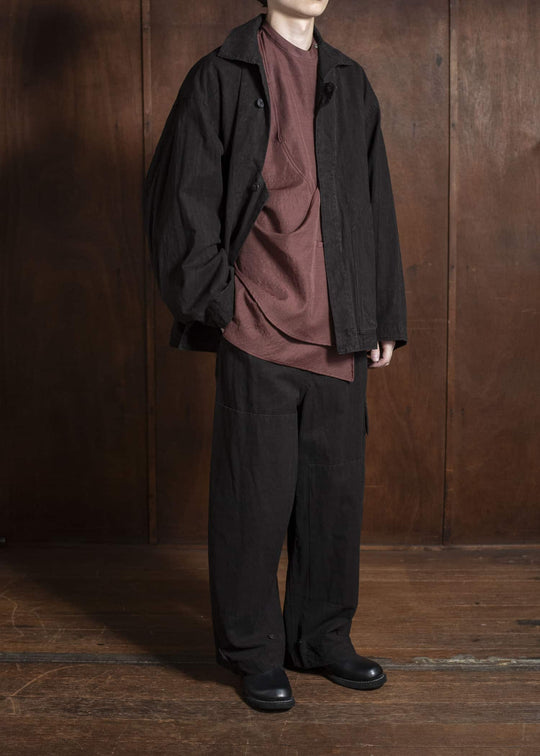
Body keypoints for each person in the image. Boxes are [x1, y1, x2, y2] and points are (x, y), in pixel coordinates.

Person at [143, 0, 407, 712]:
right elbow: (183, 198)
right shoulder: (220, 75)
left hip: (341, 328)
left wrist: (383, 314)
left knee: (333, 498)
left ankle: (320, 639)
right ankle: (253, 652)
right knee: (252, 501)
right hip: (256, 327)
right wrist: (221, 304)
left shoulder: (350, 80)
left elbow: (376, 202)